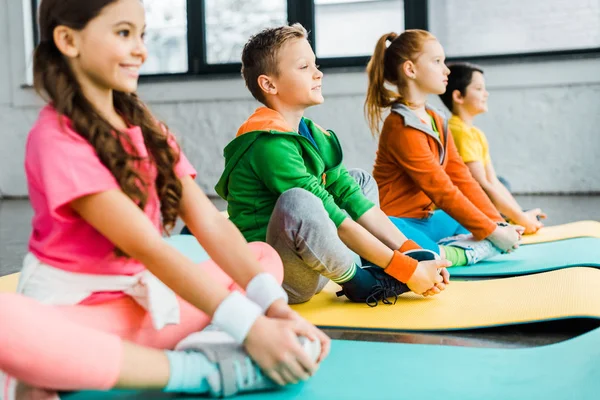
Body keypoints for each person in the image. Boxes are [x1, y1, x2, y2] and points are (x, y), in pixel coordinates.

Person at [0, 1, 328, 399]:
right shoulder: (55, 139)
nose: (141, 50)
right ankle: (197, 369)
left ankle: (89, 366)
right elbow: (148, 246)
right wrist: (251, 328)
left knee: (263, 258)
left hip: (143, 309)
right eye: (124, 33)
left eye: (142, 35)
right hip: (81, 317)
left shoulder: (146, 128)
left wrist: (277, 311)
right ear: (69, 40)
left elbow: (207, 222)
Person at [209, 23, 451, 307]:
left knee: (358, 180)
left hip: (320, 260)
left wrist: (411, 252)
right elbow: (335, 218)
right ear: (269, 84)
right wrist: (407, 271)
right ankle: (361, 283)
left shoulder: (311, 133)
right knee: (299, 201)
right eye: (303, 67)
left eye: (316, 64)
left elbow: (350, 196)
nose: (318, 73)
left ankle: (368, 264)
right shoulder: (268, 143)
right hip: (280, 279)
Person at [365, 30, 523, 267]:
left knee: (469, 220)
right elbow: (441, 190)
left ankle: (465, 247)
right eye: (437, 61)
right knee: (412, 247)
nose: (446, 70)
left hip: (427, 220)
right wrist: (493, 233)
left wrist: (495, 223)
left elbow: (461, 177)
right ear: (410, 70)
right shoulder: (400, 126)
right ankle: (461, 253)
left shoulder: (436, 118)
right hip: (397, 221)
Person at [439, 62, 546, 234]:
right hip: (456, 209)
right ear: (458, 96)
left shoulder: (475, 133)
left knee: (502, 182)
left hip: (476, 200)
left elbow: (492, 180)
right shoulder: (458, 132)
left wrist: (520, 214)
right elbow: (481, 187)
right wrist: (521, 219)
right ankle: (504, 222)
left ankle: (510, 218)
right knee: (494, 188)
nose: (486, 94)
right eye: (479, 88)